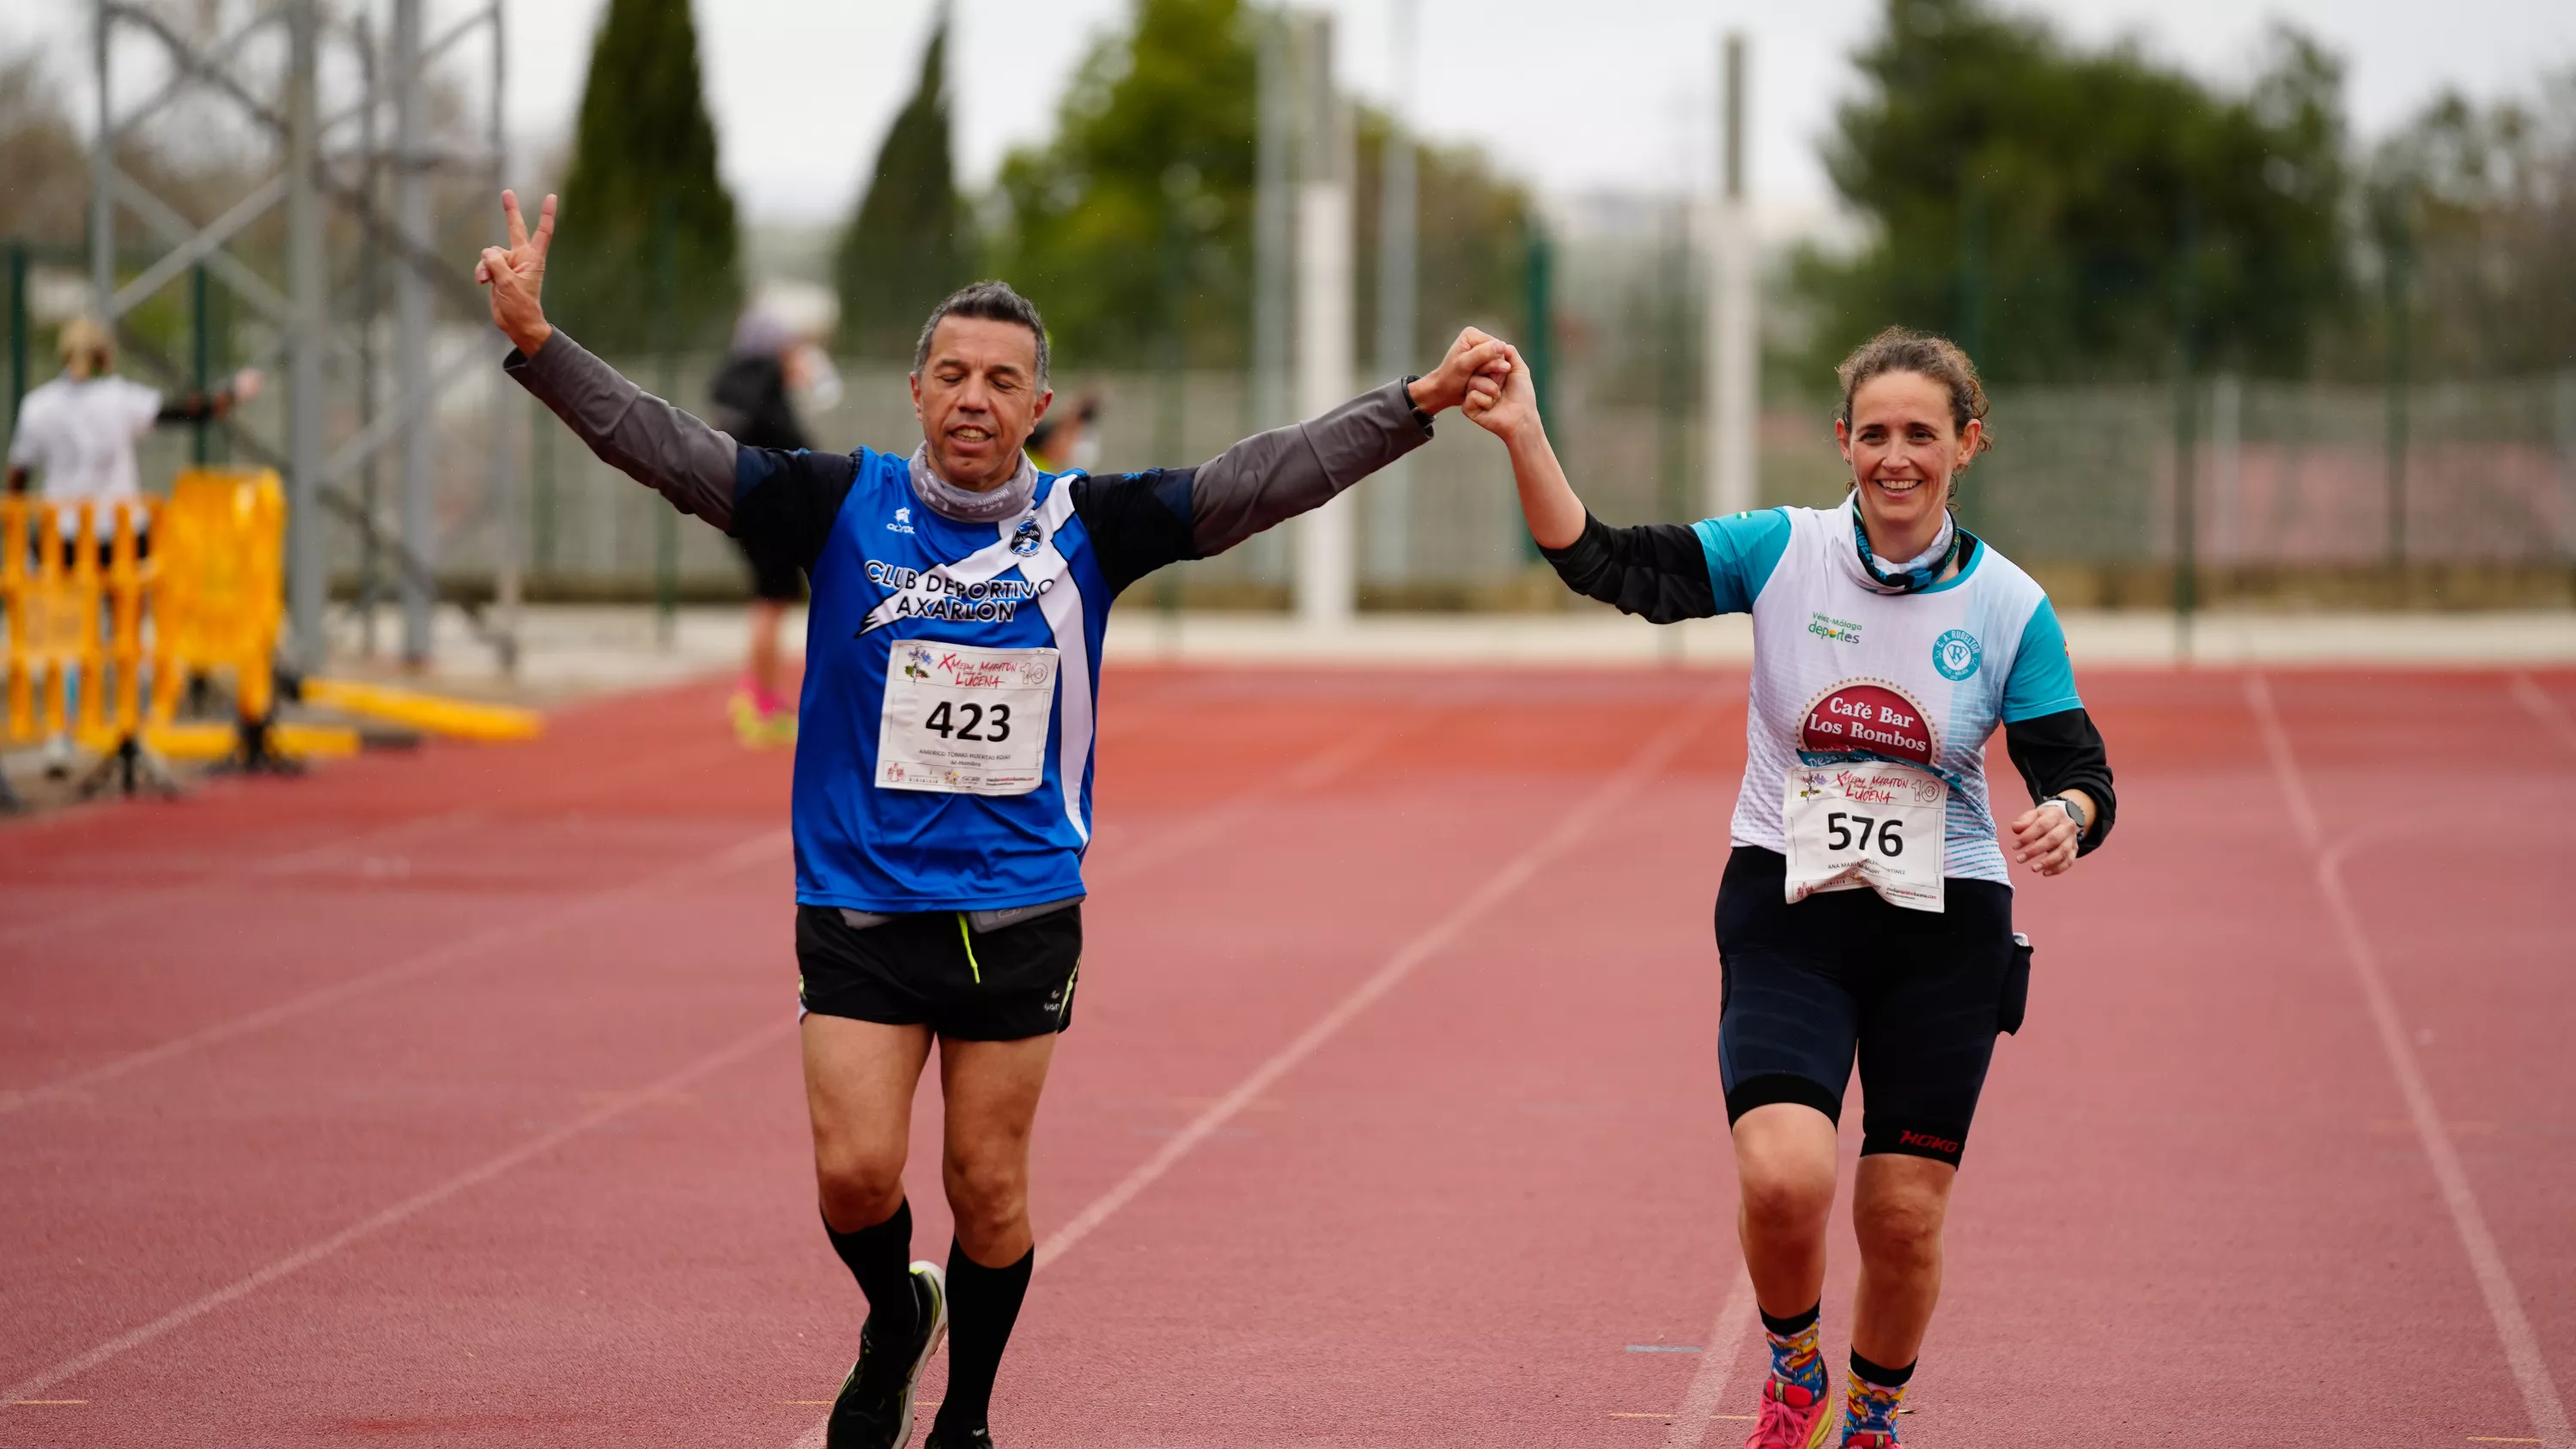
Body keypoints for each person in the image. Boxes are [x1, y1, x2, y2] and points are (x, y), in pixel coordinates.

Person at [475, 190, 1507, 1449]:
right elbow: (665, 447)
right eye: (953, 373)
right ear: (913, 392)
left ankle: (965, 1418)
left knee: (987, 1184)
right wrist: (538, 343)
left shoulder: (1093, 526)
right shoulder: (833, 501)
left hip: (1016, 910)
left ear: (1037, 408)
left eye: (1002, 380)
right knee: (856, 1179)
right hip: (859, 906)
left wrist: (1414, 402)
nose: (975, 396)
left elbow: (1266, 475)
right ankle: (895, 1314)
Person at [1462, 327, 2116, 1449]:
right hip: (1790, 907)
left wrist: (2068, 816)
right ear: (1843, 443)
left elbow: (2078, 765)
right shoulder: (1784, 553)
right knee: (1784, 1176)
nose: (1895, 457)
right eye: (1874, 434)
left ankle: (1870, 1416)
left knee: (1902, 1220)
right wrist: (1524, 430)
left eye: (1922, 434)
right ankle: (1795, 1368)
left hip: (1945, 929)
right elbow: (1604, 561)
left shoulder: (2009, 606)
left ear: (1968, 444)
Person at [7, 317, 261, 773]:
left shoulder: (37, 407)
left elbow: (18, 478)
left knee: (70, 640)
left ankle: (63, 734)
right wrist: (233, 392)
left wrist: (22, 540)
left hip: (63, 536)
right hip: (120, 536)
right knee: (126, 635)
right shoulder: (121, 399)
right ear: (107, 356)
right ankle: (131, 727)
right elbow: (190, 412)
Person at [707, 309, 828, 748]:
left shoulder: (737, 382)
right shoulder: (765, 384)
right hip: (767, 511)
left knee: (770, 599)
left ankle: (757, 694)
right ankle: (758, 700)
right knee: (773, 600)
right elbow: (796, 445)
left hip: (744, 507)